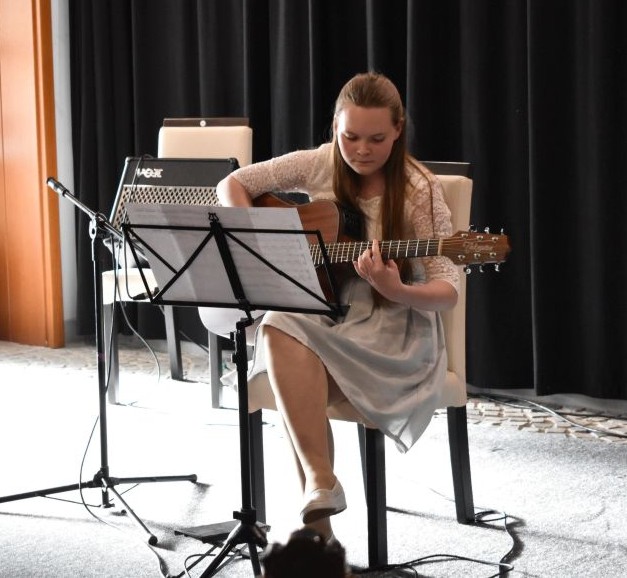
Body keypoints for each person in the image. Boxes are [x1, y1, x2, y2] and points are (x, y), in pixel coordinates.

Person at [216, 72, 460, 542]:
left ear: (398, 130)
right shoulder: (319, 163)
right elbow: (234, 183)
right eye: (350, 137)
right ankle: (321, 488)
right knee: (279, 322)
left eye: (377, 139)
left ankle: (319, 527)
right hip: (325, 308)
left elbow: (448, 287)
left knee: (290, 364)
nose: (362, 150)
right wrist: (260, 237)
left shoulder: (419, 189)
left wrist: (396, 288)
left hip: (392, 324)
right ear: (334, 127)